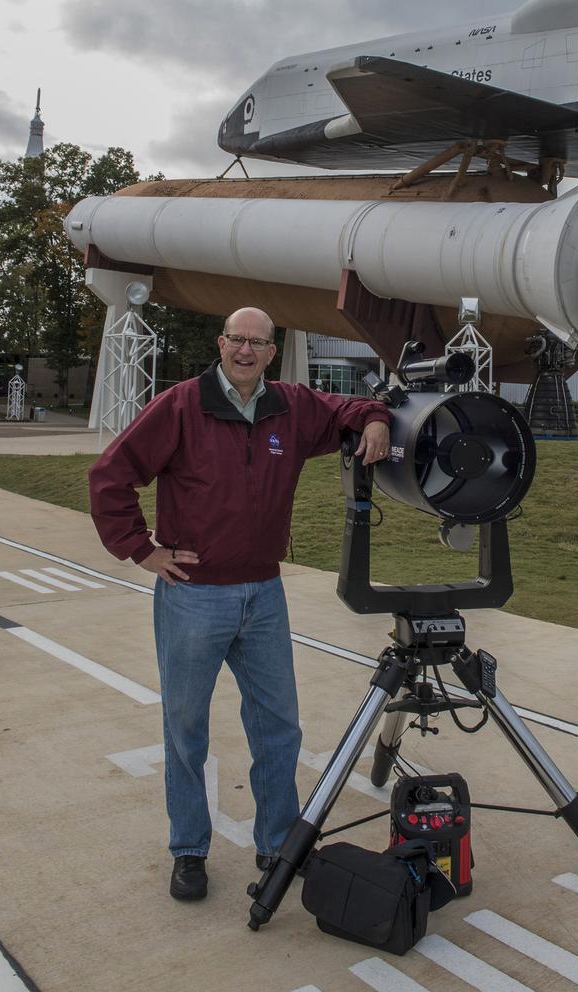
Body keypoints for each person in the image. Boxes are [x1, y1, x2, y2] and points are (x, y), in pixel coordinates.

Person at [88, 307, 391, 902]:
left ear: (272, 352)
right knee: (186, 727)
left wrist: (376, 417)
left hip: (264, 594)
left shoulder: (292, 406)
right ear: (221, 344)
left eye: (258, 342)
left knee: (278, 726)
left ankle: (277, 840)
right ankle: (189, 850)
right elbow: (110, 476)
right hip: (193, 596)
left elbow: (349, 410)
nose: (246, 351)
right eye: (237, 340)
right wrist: (140, 549)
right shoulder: (181, 405)